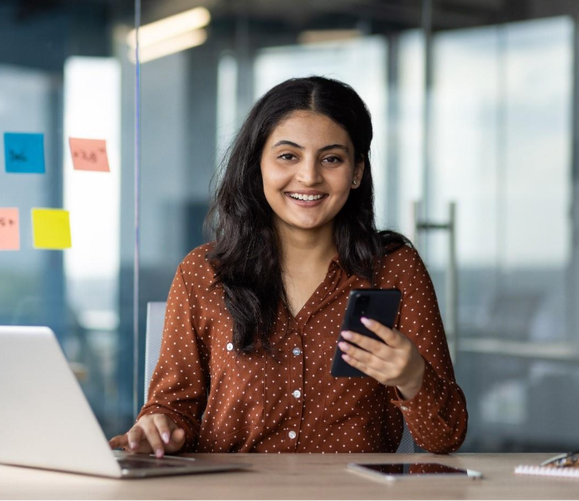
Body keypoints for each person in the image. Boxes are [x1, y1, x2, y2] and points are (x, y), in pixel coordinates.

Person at [110, 76, 468, 456]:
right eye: (288, 156)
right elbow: (172, 410)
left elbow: (445, 438)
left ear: (357, 172)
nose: (309, 176)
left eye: (331, 159)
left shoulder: (395, 269)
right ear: (258, 165)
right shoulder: (202, 273)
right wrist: (159, 427)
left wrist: (413, 377)